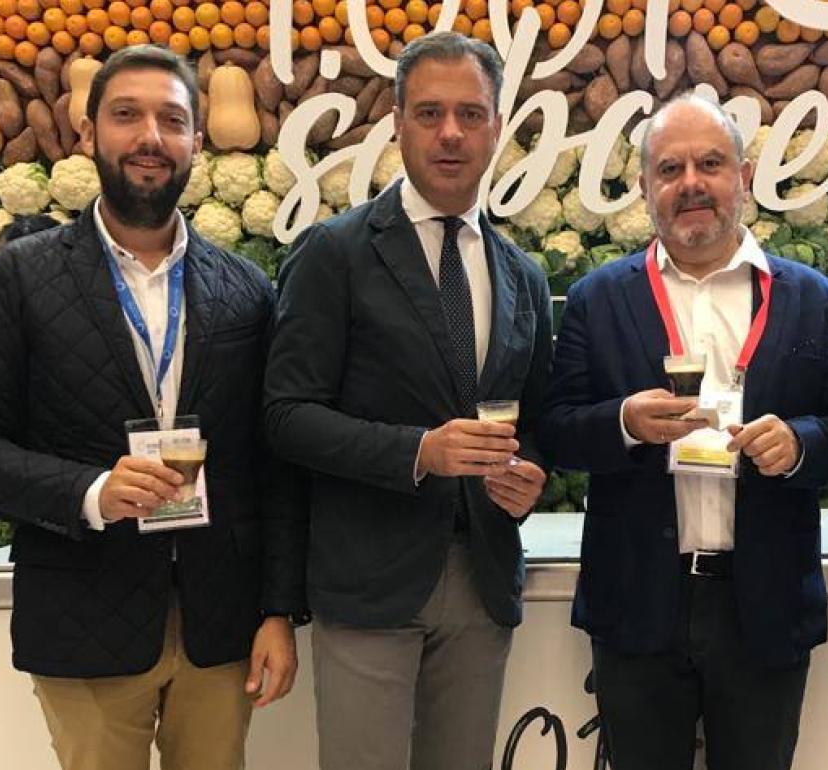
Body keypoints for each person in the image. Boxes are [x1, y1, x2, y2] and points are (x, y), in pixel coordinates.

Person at [0, 45, 307, 770]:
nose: (150, 138)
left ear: (198, 141)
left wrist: (278, 609)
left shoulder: (245, 288)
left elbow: (273, 465)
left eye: (173, 120)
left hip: (219, 624)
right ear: (87, 133)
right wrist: (93, 492)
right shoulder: (20, 278)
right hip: (84, 615)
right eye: (127, 115)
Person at [537, 94, 828, 770]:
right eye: (670, 169)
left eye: (710, 164)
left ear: (743, 178)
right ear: (645, 189)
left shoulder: (816, 299)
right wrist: (623, 423)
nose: (691, 182)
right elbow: (554, 429)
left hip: (764, 601)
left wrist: (802, 441)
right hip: (637, 599)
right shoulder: (596, 299)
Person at [263, 32, 553, 770]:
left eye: (469, 113)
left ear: (495, 126)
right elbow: (285, 415)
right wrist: (417, 451)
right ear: (396, 123)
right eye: (429, 113)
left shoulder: (522, 275)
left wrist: (528, 479)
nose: (450, 132)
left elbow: (536, 421)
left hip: (483, 577)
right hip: (369, 580)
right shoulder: (336, 253)